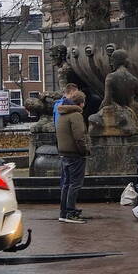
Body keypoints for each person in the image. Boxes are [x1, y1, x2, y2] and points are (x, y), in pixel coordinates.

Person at [56, 91, 90, 224]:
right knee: (75, 184)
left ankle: (64, 211)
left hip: (64, 153)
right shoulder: (76, 115)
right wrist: (85, 150)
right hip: (75, 154)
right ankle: (70, 213)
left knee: (66, 184)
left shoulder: (62, 115)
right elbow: (79, 137)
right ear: (81, 103)